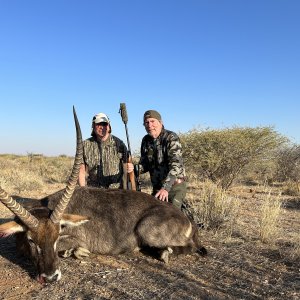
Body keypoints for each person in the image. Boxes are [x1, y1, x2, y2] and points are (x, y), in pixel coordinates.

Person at [127, 109, 187, 209]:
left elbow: (176, 166)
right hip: (157, 188)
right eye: (146, 122)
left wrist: (165, 189)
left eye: (152, 121)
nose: (149, 125)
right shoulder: (146, 140)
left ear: (160, 122)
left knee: (171, 217)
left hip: (173, 187)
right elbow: (145, 164)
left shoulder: (171, 137)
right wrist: (133, 168)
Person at [79, 112, 128, 189]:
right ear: (93, 126)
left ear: (109, 126)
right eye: (98, 124)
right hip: (94, 190)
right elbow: (81, 170)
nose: (102, 127)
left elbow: (127, 168)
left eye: (104, 124)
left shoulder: (119, 144)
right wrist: (83, 190)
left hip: (115, 191)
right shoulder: (84, 145)